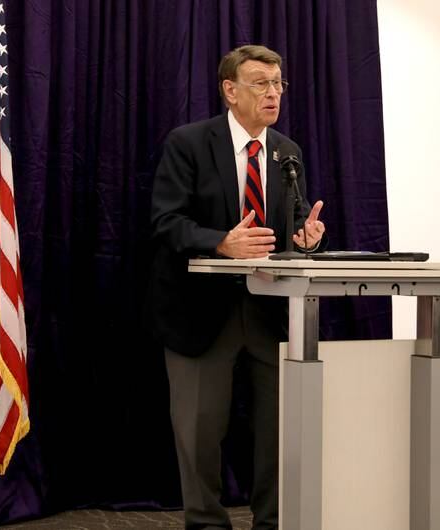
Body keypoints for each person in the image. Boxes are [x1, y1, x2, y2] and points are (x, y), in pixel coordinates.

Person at [148, 44, 326, 530]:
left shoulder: (287, 151)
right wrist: (221, 243)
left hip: (271, 311)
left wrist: (305, 238)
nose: (273, 94)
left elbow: (291, 225)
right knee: (199, 432)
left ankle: (273, 521)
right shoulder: (189, 143)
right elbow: (166, 221)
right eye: (261, 84)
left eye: (278, 84)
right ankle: (206, 523)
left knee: (278, 429)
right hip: (200, 313)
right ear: (230, 90)